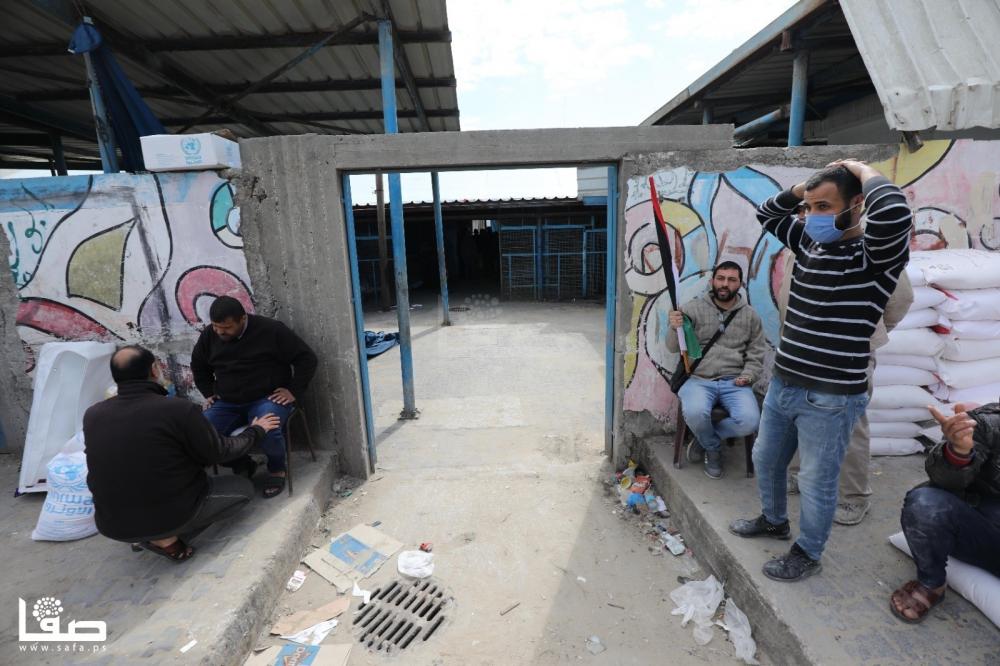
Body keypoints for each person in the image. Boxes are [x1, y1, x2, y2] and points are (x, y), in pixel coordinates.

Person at [730, 160, 912, 582]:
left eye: (825, 207)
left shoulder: (876, 256)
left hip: (831, 395)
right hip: (785, 382)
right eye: (809, 208)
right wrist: (804, 190)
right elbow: (766, 213)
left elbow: (894, 212)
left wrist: (858, 168)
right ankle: (773, 520)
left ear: (857, 204)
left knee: (816, 480)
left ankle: (808, 552)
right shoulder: (810, 243)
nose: (812, 217)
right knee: (766, 458)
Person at [84, 346, 281, 562]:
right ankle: (165, 539)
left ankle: (145, 536)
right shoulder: (177, 409)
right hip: (171, 512)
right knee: (242, 489)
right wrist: (256, 430)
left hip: (112, 524)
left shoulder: (93, 415)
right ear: (155, 369)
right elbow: (220, 452)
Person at [777, 252, 914, 525]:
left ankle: (853, 497)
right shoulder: (801, 243)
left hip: (848, 351)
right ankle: (797, 473)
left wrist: (864, 330)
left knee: (848, 423)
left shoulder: (871, 246)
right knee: (799, 412)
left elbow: (901, 299)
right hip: (801, 346)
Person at [191, 297, 318, 498]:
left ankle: (276, 469)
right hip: (227, 402)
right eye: (215, 326)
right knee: (202, 432)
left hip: (267, 398)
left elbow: (307, 358)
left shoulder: (272, 330)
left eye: (226, 327)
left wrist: (293, 390)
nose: (220, 332)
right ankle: (241, 463)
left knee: (269, 427)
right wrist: (209, 393)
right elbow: (198, 366)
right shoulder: (209, 335)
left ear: (243, 319)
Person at [890, 402, 1000, 623]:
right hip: (984, 533)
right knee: (926, 504)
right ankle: (932, 583)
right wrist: (959, 452)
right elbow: (944, 481)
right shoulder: (986, 424)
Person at [667, 261, 767, 479]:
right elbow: (673, 347)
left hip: (734, 382)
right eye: (720, 278)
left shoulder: (750, 316)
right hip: (698, 379)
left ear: (740, 284)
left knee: (750, 421)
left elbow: (757, 353)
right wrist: (674, 327)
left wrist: (748, 375)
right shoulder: (692, 309)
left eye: (731, 280)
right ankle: (713, 449)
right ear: (712, 281)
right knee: (695, 413)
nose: (725, 284)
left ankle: (704, 441)